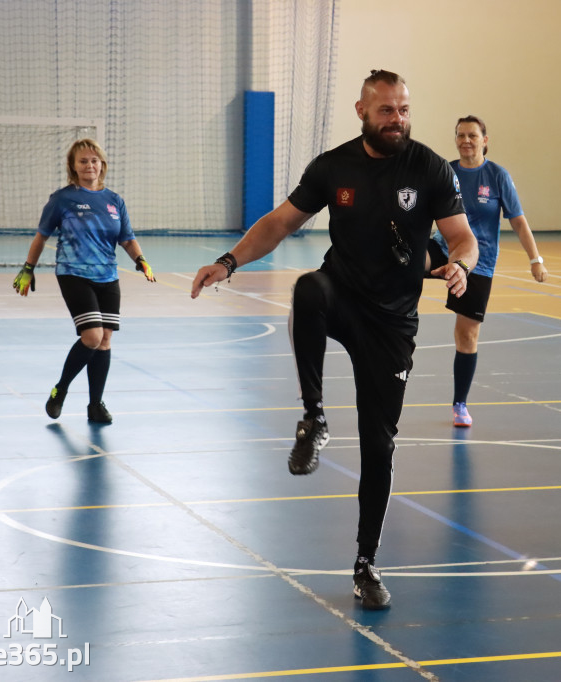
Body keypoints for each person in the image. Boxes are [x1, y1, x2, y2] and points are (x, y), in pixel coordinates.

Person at [190, 69, 478, 609]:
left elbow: (462, 237)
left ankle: (366, 564)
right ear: (362, 111)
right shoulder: (333, 166)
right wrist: (229, 262)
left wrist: (460, 264)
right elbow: (279, 224)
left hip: (393, 323)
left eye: (404, 110)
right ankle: (314, 417)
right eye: (387, 110)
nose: (397, 120)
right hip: (343, 296)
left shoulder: (430, 167)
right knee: (309, 291)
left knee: (380, 446)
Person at [13, 138, 156, 424]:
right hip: (74, 273)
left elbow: (126, 238)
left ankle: (95, 405)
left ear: (102, 164)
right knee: (91, 337)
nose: (89, 165)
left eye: (94, 160)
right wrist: (28, 268)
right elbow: (41, 236)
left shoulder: (115, 201)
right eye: (83, 161)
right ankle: (60, 390)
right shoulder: (62, 199)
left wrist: (140, 260)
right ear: (73, 167)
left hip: (108, 275)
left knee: (104, 342)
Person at [426, 115, 548, 427]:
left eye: (472, 135)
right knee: (405, 264)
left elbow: (518, 221)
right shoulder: (446, 172)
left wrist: (535, 259)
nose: (466, 140)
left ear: (485, 140)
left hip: (477, 262)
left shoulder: (497, 176)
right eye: (460, 135)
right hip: (443, 248)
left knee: (466, 333)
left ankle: (460, 403)